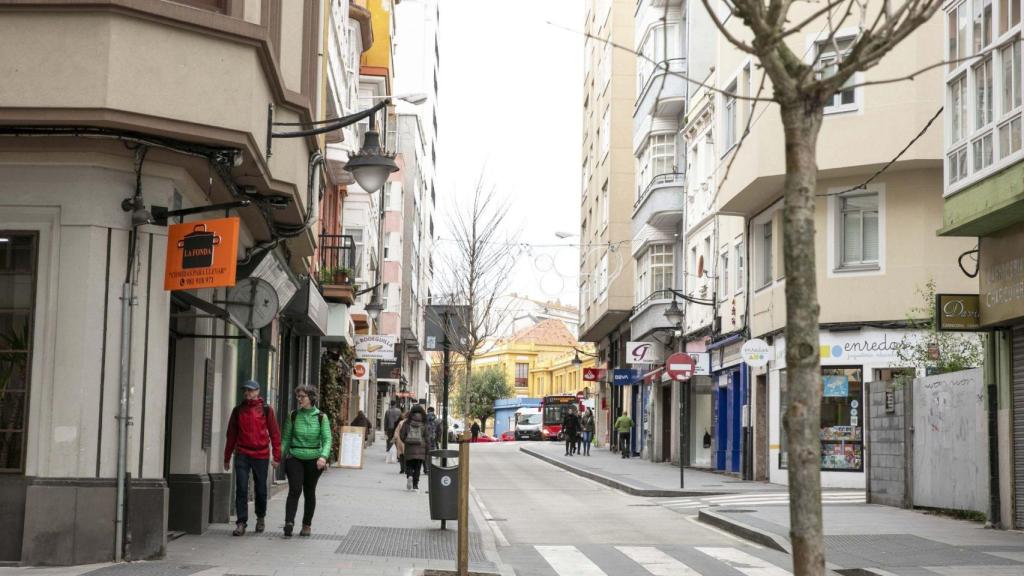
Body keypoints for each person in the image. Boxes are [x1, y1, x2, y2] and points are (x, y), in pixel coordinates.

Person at [224, 380, 281, 536]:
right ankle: (241, 522)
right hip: (242, 453)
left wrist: (276, 456)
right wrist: (227, 457)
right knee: (241, 488)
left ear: (258, 391)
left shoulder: (266, 410)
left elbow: (275, 433)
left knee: (261, 490)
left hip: (261, 455)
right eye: (245, 390)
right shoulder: (238, 411)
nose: (247, 393)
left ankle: (260, 517)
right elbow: (231, 435)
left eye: (250, 390)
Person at [281, 385, 331, 537]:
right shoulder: (293, 415)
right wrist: (278, 457)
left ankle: (306, 525)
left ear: (311, 398)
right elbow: (286, 438)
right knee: (295, 489)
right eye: (298, 396)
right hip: (295, 456)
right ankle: (289, 522)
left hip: (314, 460)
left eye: (302, 396)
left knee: (309, 492)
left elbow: (327, 439)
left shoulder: (321, 417)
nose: (299, 399)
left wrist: (323, 456)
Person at [395, 404, 429, 492]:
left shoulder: (407, 422)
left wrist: (406, 441)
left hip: (409, 447)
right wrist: (427, 448)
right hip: (420, 449)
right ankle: (415, 485)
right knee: (418, 467)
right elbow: (427, 437)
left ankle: (409, 475)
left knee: (409, 464)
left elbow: (402, 435)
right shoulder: (424, 422)